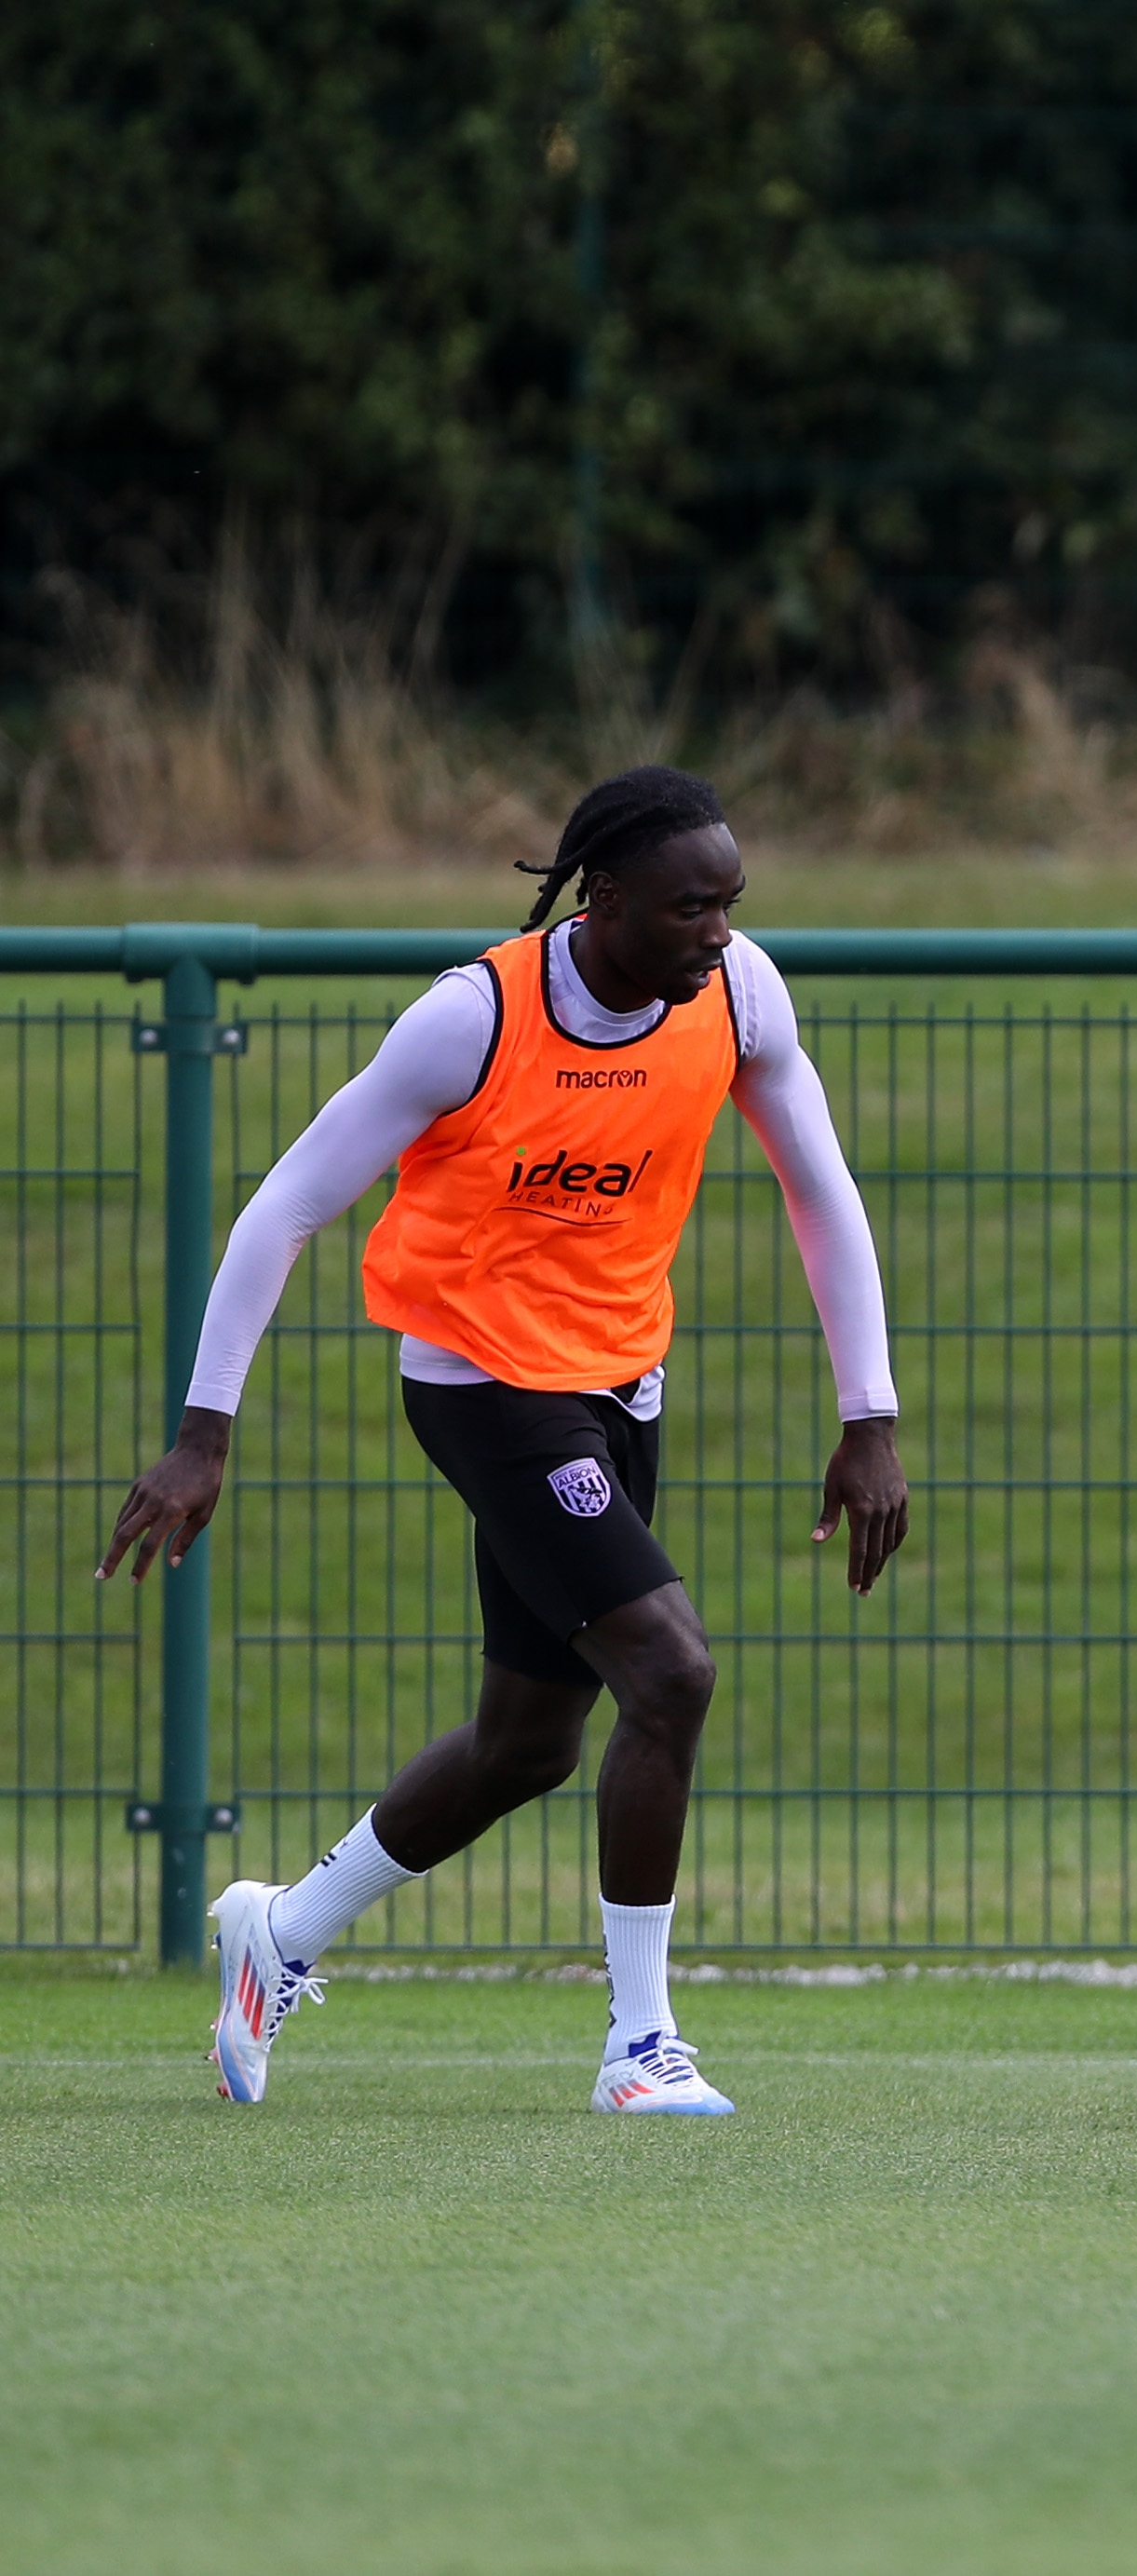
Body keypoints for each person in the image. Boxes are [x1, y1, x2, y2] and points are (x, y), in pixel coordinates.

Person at [98, 767, 908, 2113]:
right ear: (602, 900)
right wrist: (202, 1432)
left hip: (618, 1382)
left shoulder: (742, 990)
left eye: (731, 903)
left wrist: (867, 1417)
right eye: (687, 905)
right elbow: (283, 1207)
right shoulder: (471, 1018)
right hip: (480, 1380)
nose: (717, 931)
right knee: (672, 1670)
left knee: (529, 1741)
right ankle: (640, 2047)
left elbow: (821, 1191)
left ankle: (280, 1932)